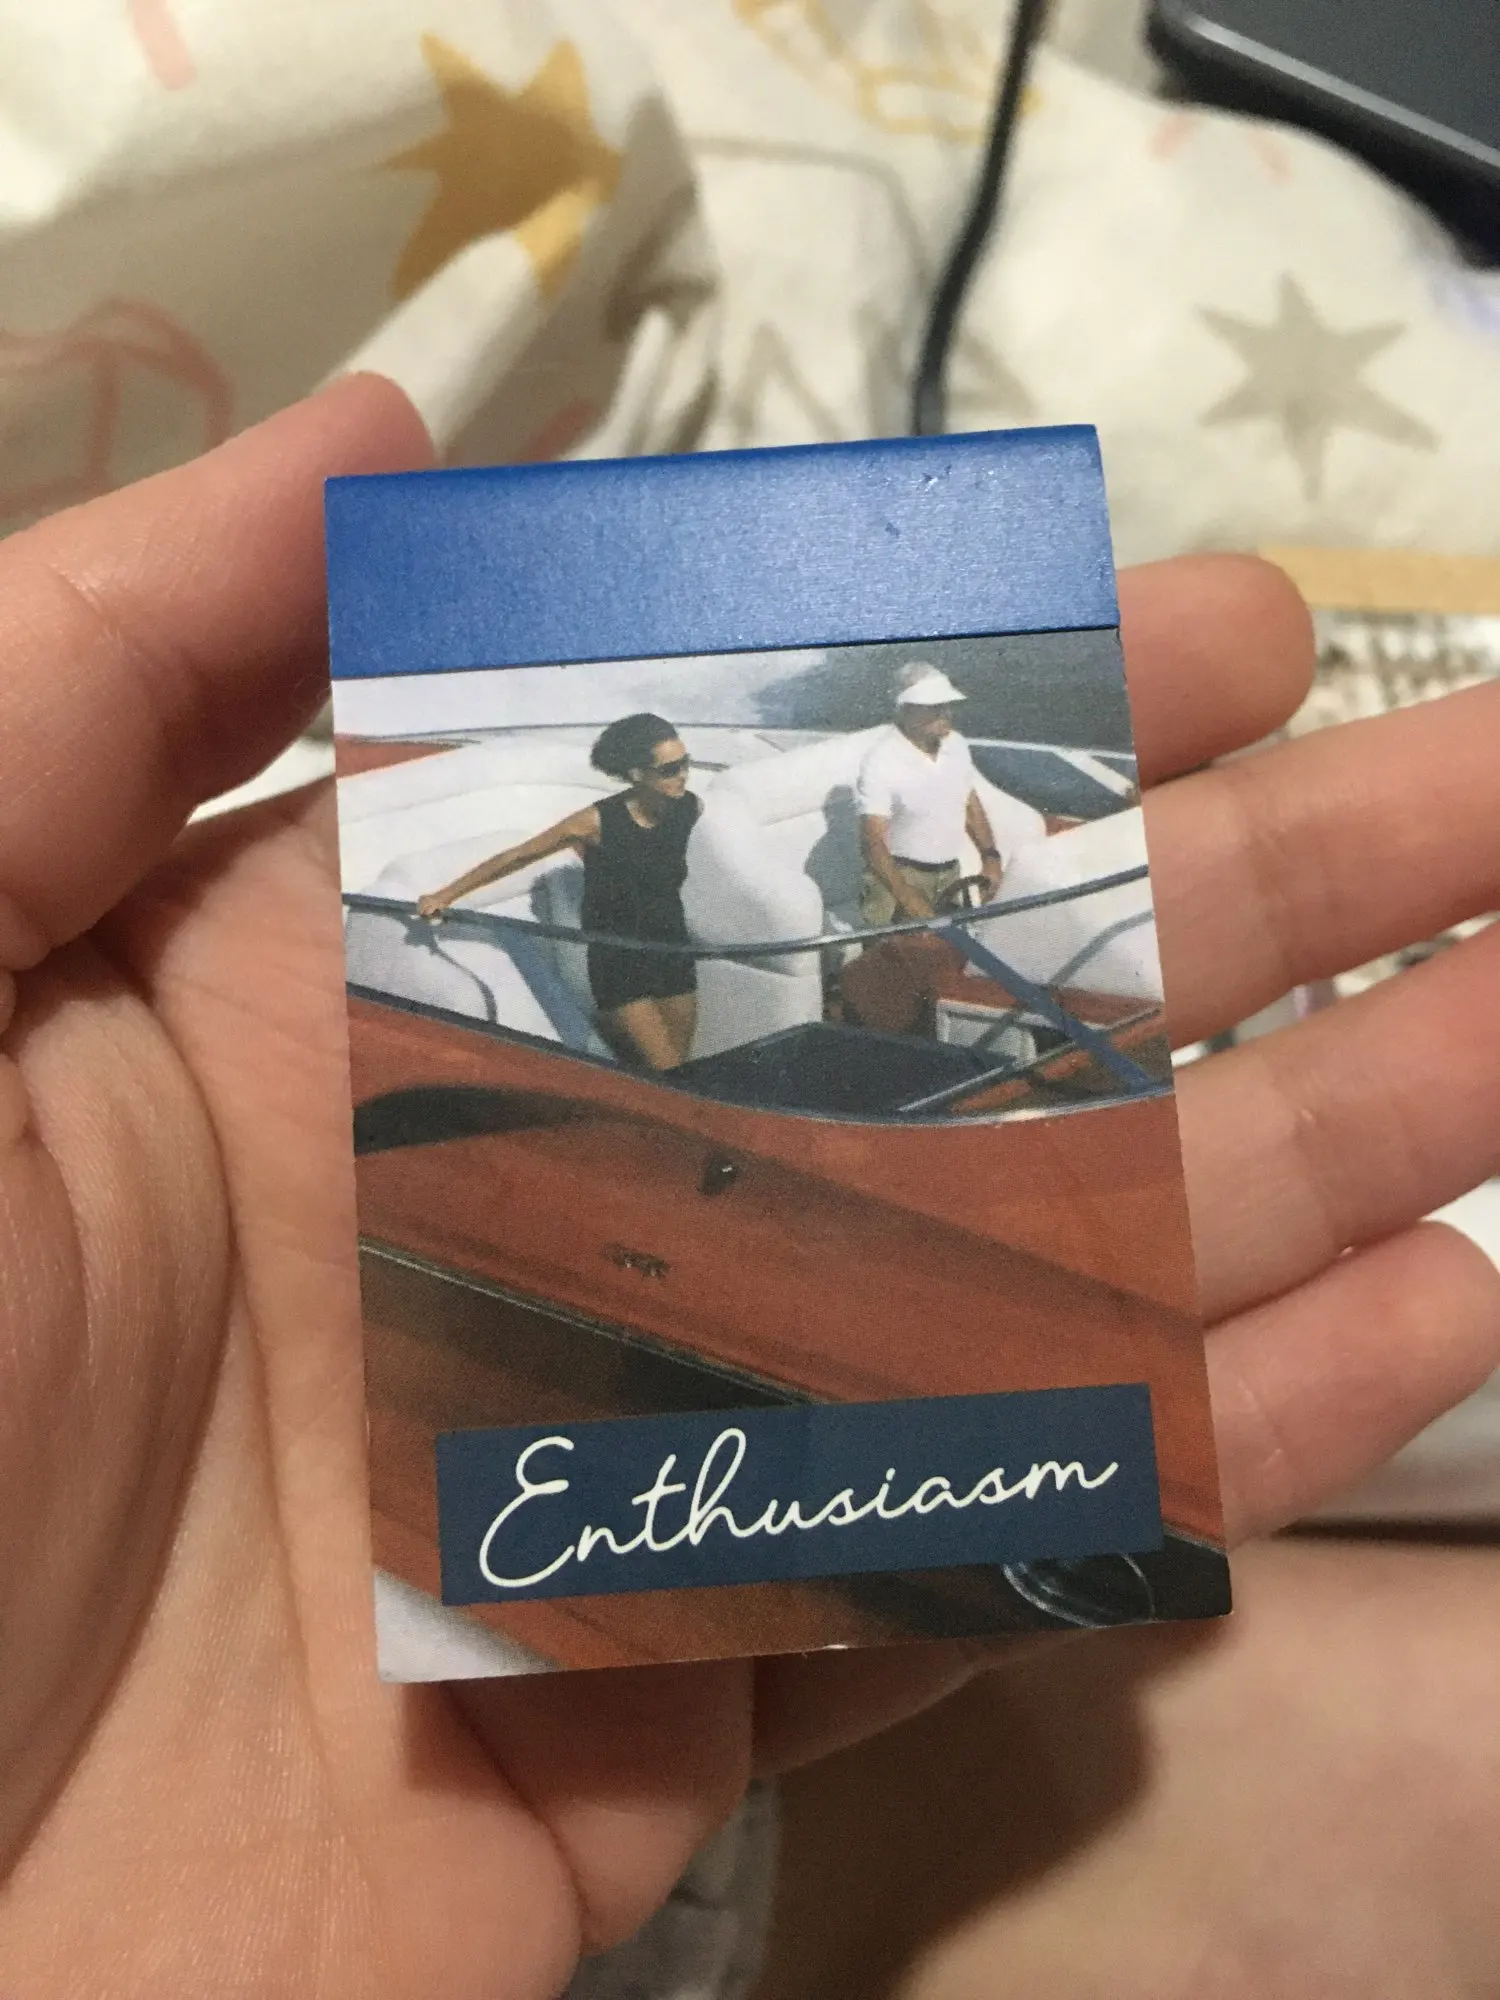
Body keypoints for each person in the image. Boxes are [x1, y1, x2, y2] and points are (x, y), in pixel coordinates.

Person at [0, 375, 1496, 1997]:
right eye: (654, 761)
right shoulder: (614, 819)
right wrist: (438, 902)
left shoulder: (746, 795)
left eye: (669, 761)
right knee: (667, 1090)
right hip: (626, 978)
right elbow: (532, 862)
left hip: (709, 990)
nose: (665, 773)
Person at [416, 713, 702, 1071]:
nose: (683, 775)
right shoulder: (596, 821)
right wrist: (444, 895)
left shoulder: (690, 808)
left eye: (686, 763)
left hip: (673, 947)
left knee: (680, 1064)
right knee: (666, 1068)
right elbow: (517, 856)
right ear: (636, 774)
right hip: (618, 959)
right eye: (670, 769)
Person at [855, 665, 1008, 927]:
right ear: (906, 709)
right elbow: (872, 842)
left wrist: (990, 857)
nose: (946, 713)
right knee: (892, 951)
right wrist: (908, 898)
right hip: (895, 879)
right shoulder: (881, 760)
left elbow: (969, 803)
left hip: (950, 873)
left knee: (948, 947)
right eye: (934, 706)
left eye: (946, 705)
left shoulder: (956, 744)